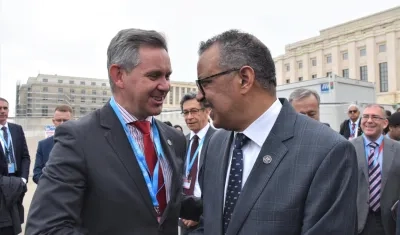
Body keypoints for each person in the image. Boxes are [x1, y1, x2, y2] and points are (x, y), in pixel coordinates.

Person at [190, 29, 358, 235]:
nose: (198, 96)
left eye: (205, 83)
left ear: (244, 79)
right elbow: (210, 225)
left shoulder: (328, 152)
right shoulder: (215, 144)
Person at [26, 28, 187, 235]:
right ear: (119, 76)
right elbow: (46, 228)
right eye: (154, 75)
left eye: (167, 76)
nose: (166, 86)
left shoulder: (174, 139)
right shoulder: (78, 139)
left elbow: (160, 202)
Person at [350, 104, 400, 235]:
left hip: (390, 222)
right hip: (356, 220)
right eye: (365, 116)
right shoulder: (347, 148)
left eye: (375, 117)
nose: (369, 120)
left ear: (385, 123)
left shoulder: (398, 149)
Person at [179, 92, 216, 235]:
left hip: (206, 219)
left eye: (194, 111)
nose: (189, 117)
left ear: (207, 111)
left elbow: (218, 186)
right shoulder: (181, 141)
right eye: (186, 112)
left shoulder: (220, 140)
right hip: (183, 218)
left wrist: (199, 214)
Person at [0, 97, 30, 235]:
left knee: (15, 222)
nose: (2, 111)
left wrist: (23, 179)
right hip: (1, 184)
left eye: (5, 108)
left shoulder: (17, 129)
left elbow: (25, 157)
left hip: (17, 184)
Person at [33, 105, 73, 184]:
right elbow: (37, 175)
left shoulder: (81, 143)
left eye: (65, 120)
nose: (62, 123)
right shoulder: (43, 145)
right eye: (59, 120)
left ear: (72, 121)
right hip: (50, 193)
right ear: (53, 121)